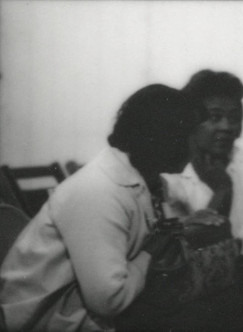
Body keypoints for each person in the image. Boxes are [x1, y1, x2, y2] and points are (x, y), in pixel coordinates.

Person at [0, 84, 203, 331]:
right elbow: (109, 299)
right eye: (191, 135)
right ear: (166, 137)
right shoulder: (98, 190)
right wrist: (151, 251)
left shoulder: (140, 180)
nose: (197, 146)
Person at [158, 69, 243, 330]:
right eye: (215, 118)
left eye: (234, 118)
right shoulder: (168, 177)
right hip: (187, 302)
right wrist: (221, 192)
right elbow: (180, 249)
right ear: (191, 120)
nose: (227, 127)